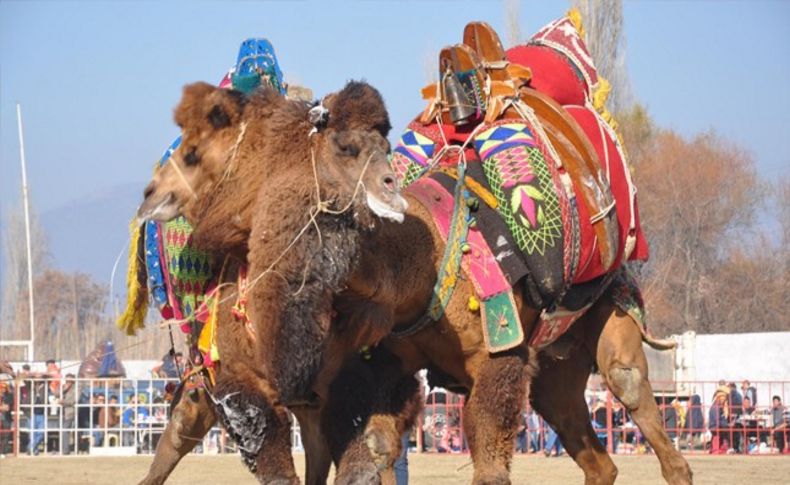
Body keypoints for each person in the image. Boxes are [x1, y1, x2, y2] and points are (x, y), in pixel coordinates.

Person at [58, 374, 77, 454]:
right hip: (61, 412)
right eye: (67, 380)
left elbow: (74, 400)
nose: (68, 382)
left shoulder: (76, 389)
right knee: (63, 430)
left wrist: (63, 402)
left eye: (70, 381)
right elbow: (56, 394)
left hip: (70, 412)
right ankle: (63, 448)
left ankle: (65, 450)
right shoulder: (63, 387)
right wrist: (64, 390)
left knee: (65, 430)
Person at [0, 380, 14, 455]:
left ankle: (3, 452)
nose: (2, 389)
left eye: (4, 388)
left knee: (6, 435)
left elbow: (7, 408)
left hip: (6, 418)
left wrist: (2, 407)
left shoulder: (9, 395)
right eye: (1, 387)